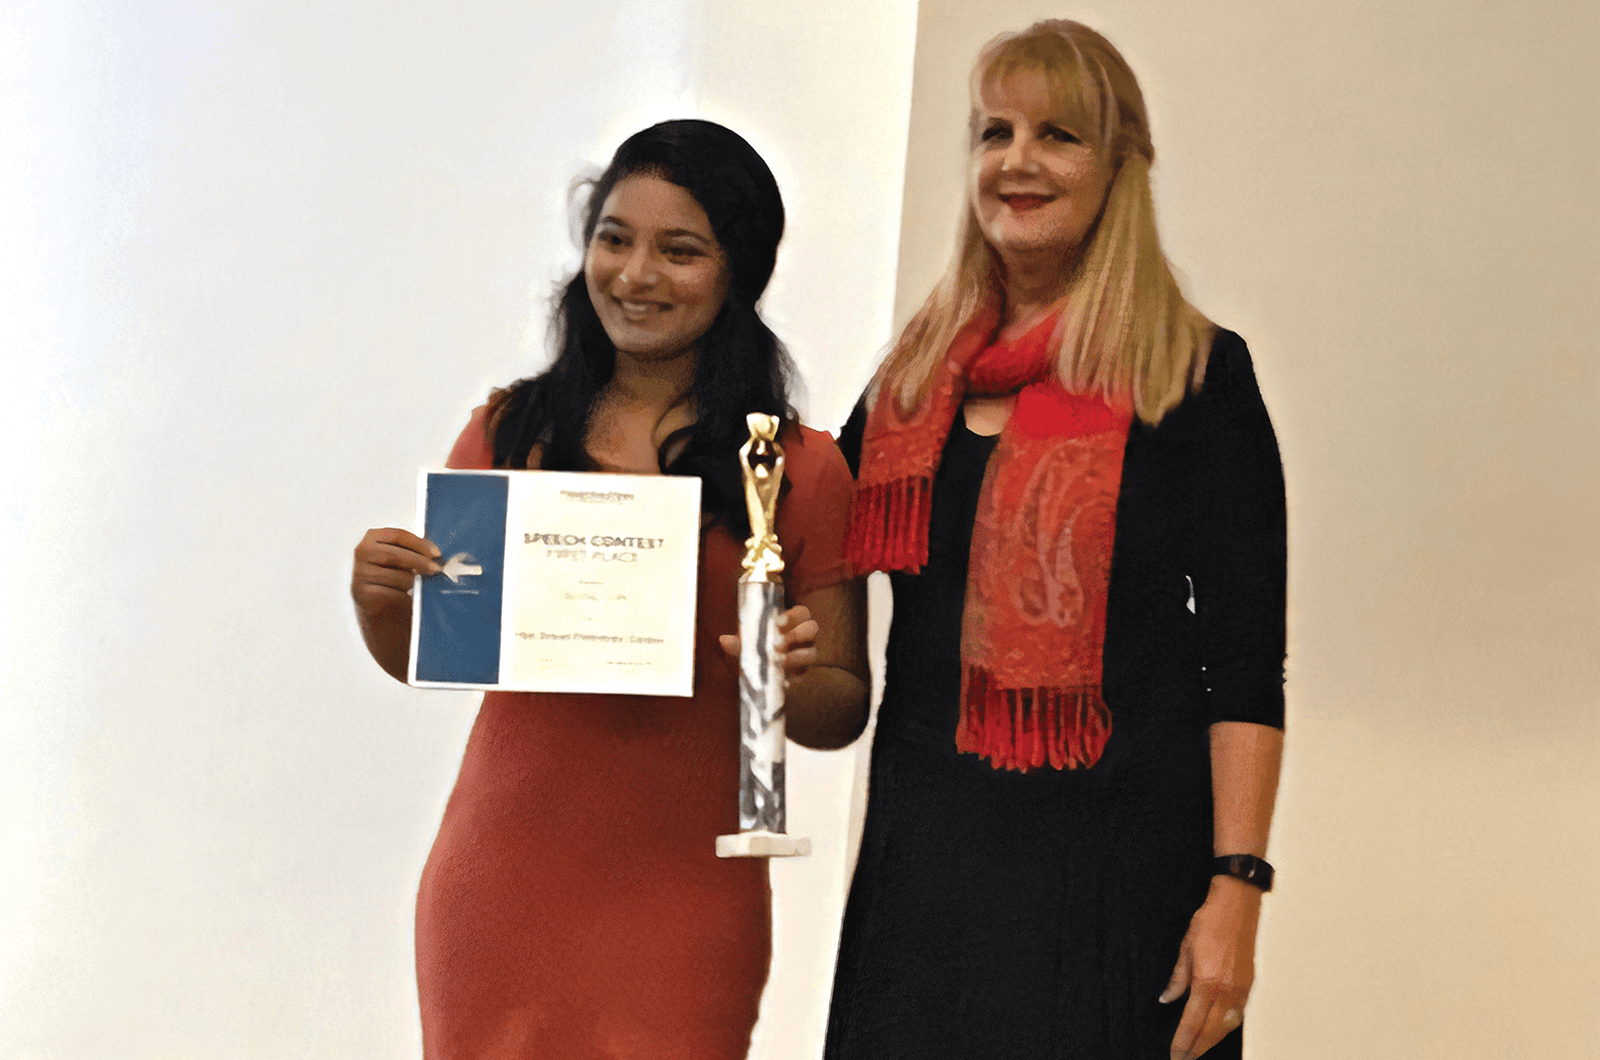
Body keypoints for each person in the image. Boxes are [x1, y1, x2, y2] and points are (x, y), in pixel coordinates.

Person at [350, 120, 869, 1060]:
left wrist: (783, 676)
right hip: (501, 885)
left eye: (681, 250)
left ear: (739, 272)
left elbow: (839, 709)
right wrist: (380, 602)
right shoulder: (509, 433)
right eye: (614, 238)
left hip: (688, 898)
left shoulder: (800, 468)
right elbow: (437, 654)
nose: (635, 275)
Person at [824, 21, 1285, 1060]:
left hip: (1123, 887)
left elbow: (1246, 669)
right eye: (994, 132)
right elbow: (801, 548)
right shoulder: (907, 389)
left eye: (1057, 135)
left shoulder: (1197, 377)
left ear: (1120, 167)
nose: (1016, 160)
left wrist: (1237, 888)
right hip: (926, 879)